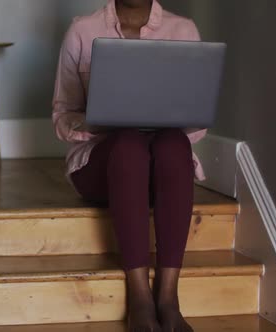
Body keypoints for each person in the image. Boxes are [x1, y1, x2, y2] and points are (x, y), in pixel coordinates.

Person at [52, 1, 207, 331]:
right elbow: (62, 115)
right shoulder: (82, 30)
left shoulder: (184, 31)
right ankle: (139, 297)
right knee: (128, 143)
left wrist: (168, 118)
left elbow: (198, 122)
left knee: (173, 143)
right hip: (103, 165)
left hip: (162, 167)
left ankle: (167, 297)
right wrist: (98, 120)